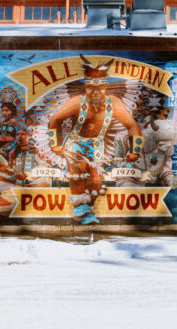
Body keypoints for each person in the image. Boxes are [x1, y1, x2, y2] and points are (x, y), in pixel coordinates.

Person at [47, 56, 142, 224]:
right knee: (76, 173)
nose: (95, 92)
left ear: (106, 87)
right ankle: (81, 212)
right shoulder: (77, 102)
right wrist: (56, 146)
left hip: (97, 144)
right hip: (75, 142)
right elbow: (55, 120)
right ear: (85, 87)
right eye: (91, 87)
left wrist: (135, 150)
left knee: (96, 182)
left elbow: (132, 125)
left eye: (100, 87)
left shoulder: (115, 103)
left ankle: (87, 209)